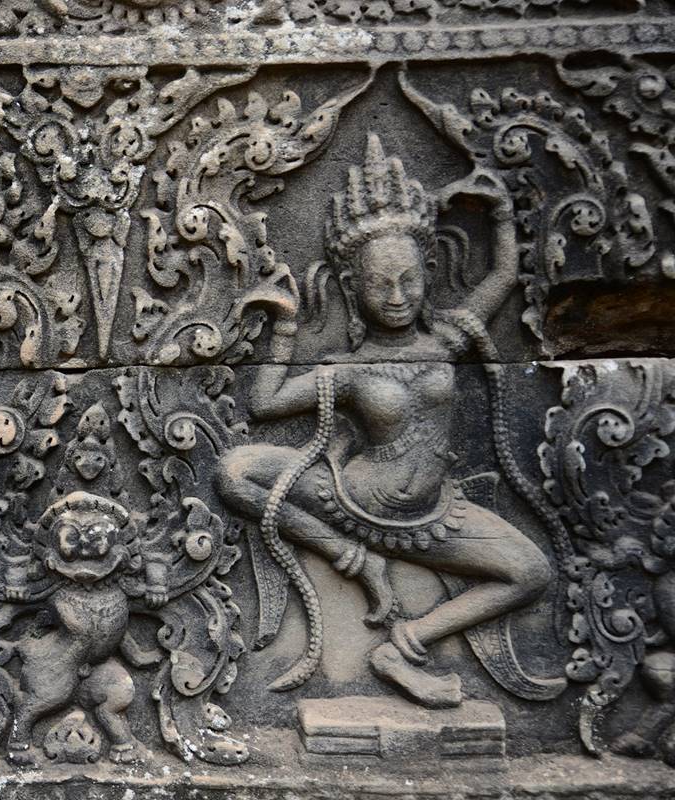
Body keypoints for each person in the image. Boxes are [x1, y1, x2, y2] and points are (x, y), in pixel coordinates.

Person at [217, 134, 553, 708]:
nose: (397, 296)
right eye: (379, 283)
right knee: (235, 470)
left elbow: (502, 277)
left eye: (409, 281)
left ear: (429, 273)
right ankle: (352, 557)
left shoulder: (447, 341)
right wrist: (287, 329)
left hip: (437, 516)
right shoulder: (346, 371)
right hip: (353, 503)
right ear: (352, 288)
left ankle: (404, 646)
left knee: (531, 572)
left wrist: (499, 213)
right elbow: (265, 405)